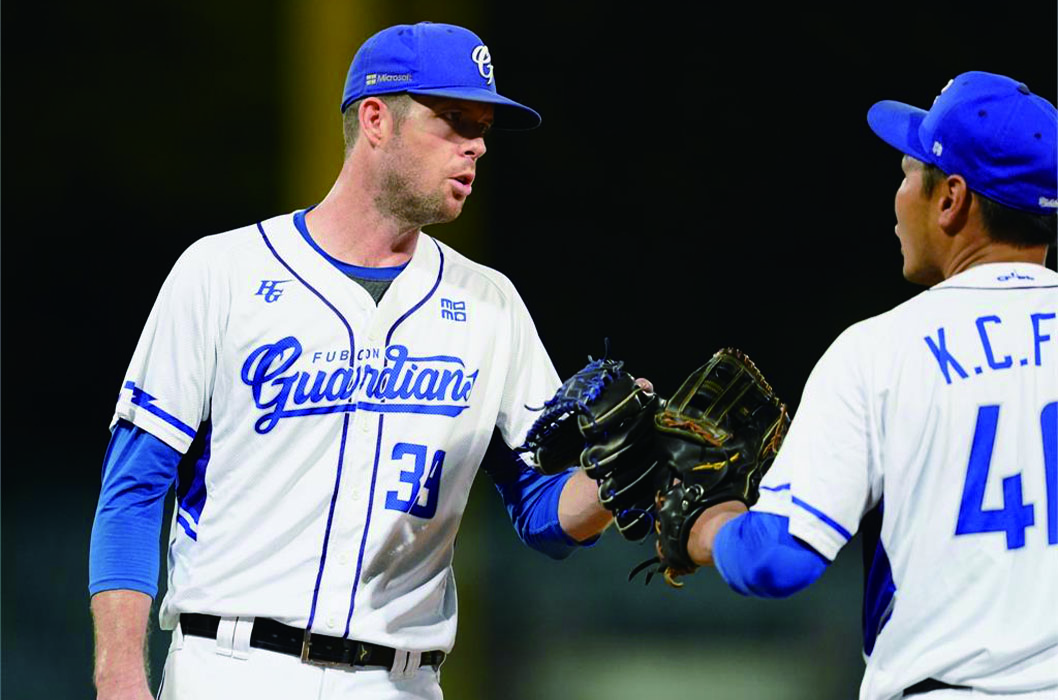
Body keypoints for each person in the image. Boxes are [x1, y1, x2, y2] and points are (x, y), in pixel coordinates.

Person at [89, 22, 618, 700]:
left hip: (399, 680)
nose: (477, 145)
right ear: (375, 120)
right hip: (233, 666)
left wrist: (618, 479)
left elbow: (544, 511)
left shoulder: (492, 305)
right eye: (454, 121)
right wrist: (119, 677)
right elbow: (133, 491)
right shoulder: (221, 272)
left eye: (483, 128)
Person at [680, 71, 1057, 699]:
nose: (899, 195)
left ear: (951, 199)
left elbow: (777, 559)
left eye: (909, 171)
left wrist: (703, 527)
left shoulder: (881, 352)